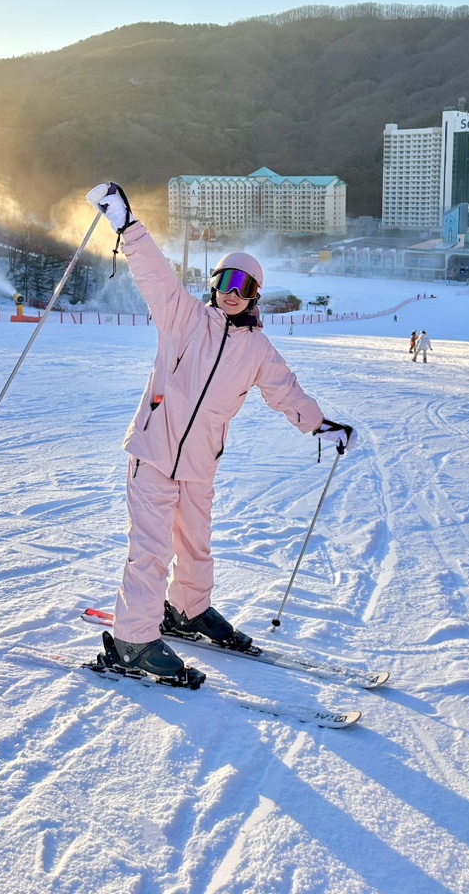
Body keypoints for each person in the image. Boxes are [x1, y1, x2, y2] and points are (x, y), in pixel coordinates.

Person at [86, 183, 354, 683]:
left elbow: (286, 392)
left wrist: (319, 426)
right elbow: (156, 277)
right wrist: (127, 225)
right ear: (213, 286)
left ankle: (187, 609)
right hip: (154, 452)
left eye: (242, 285)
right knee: (150, 549)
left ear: (254, 294)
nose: (230, 292)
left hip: (199, 463)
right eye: (223, 281)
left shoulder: (258, 350)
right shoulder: (184, 320)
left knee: (196, 546)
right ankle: (133, 640)